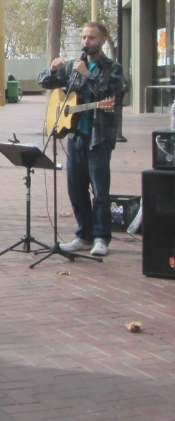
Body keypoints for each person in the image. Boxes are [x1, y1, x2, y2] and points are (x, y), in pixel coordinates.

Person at [37, 21, 126, 257]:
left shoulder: (112, 68)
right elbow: (43, 81)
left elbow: (111, 97)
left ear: (103, 41)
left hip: (98, 137)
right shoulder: (75, 65)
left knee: (100, 190)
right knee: (75, 189)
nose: (86, 42)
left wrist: (88, 77)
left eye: (92, 38)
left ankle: (101, 238)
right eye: (84, 37)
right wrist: (54, 70)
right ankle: (84, 235)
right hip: (75, 136)